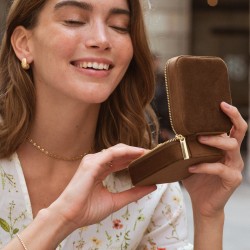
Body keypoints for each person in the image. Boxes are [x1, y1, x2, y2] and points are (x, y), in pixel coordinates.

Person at [0, 0, 247, 249]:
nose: (101, 39)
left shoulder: (149, 185)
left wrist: (208, 216)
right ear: (23, 43)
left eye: (119, 26)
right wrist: (61, 218)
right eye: (74, 20)